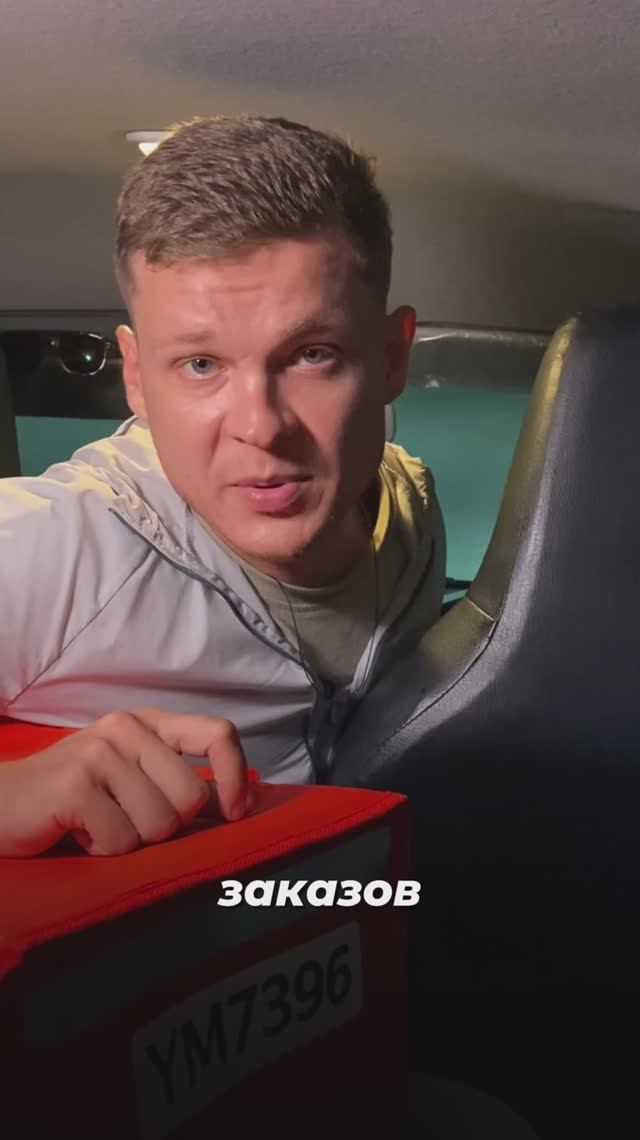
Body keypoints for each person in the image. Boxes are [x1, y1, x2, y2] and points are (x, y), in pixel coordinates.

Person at [0, 115, 445, 857]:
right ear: (136, 377)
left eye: (312, 354)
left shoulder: (412, 509)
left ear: (393, 357)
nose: (260, 428)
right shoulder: (52, 548)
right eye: (201, 365)